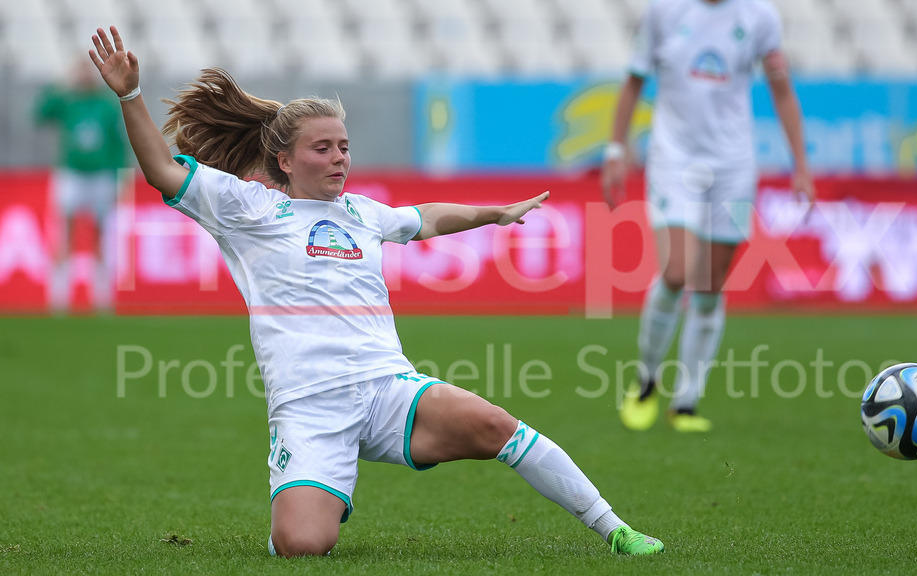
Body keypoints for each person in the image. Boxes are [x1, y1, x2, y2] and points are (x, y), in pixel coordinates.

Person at [88, 26, 663, 558]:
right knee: (302, 545)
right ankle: (311, 491)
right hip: (309, 408)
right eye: (323, 148)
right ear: (284, 160)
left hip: (386, 388)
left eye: (343, 146)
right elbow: (163, 169)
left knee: (498, 427)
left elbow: (427, 218)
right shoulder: (248, 209)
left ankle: (615, 529)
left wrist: (492, 213)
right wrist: (129, 94)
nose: (339, 157)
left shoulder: (362, 213)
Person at [601, 0, 815, 433]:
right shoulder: (664, 11)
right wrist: (615, 151)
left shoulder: (760, 17)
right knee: (677, 271)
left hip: (733, 164)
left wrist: (801, 165)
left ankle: (685, 402)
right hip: (673, 158)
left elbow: (782, 89)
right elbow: (632, 82)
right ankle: (646, 380)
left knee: (711, 283)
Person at [35, 55, 128, 313]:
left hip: (100, 176)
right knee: (64, 232)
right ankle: (58, 300)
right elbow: (40, 113)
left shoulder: (106, 104)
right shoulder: (68, 101)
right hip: (71, 174)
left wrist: (118, 175)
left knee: (100, 234)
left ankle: (102, 300)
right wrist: (62, 84)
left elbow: (118, 142)